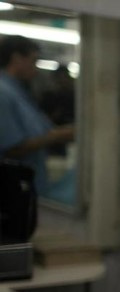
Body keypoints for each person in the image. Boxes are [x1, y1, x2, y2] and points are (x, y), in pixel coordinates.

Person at [0, 35, 74, 192]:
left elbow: (38, 129)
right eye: (33, 61)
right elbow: (11, 147)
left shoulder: (19, 92)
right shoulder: (3, 93)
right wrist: (58, 136)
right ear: (17, 59)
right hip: (13, 189)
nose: (35, 68)